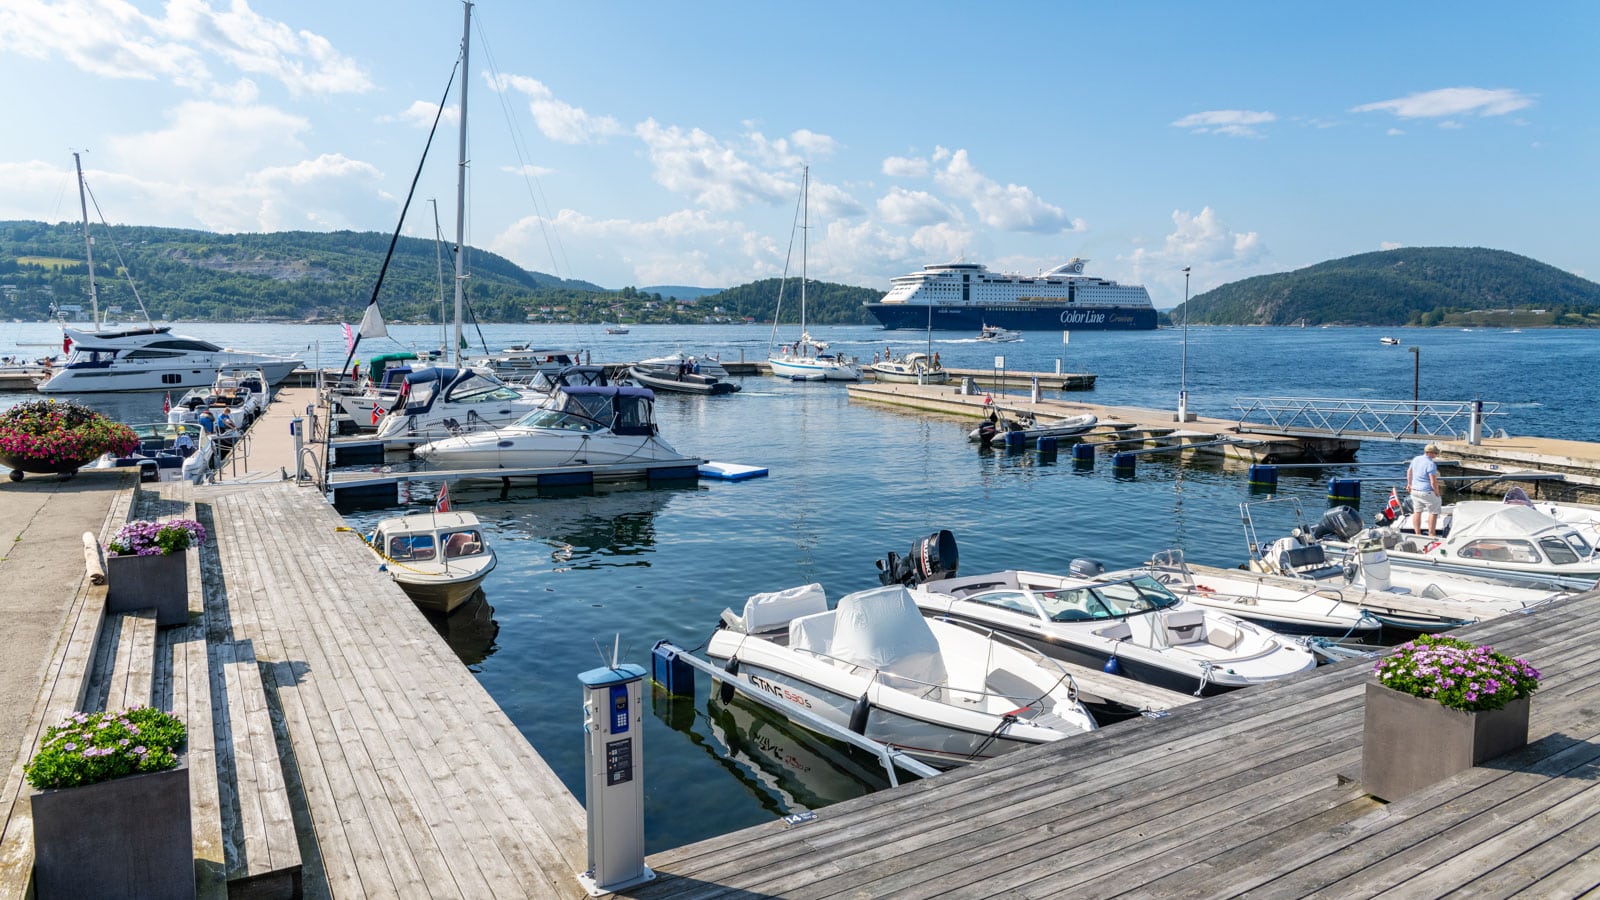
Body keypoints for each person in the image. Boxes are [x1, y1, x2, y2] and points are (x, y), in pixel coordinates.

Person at [1408, 443, 1444, 539]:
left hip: (1414, 490)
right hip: (1426, 491)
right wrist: (1436, 492)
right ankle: (1431, 534)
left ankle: (1417, 533)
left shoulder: (1416, 459)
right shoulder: (1431, 464)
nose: (1436, 456)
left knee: (1417, 511)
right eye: (1436, 453)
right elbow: (1433, 481)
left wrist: (1409, 484)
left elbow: (1409, 472)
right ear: (1431, 453)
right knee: (1434, 511)